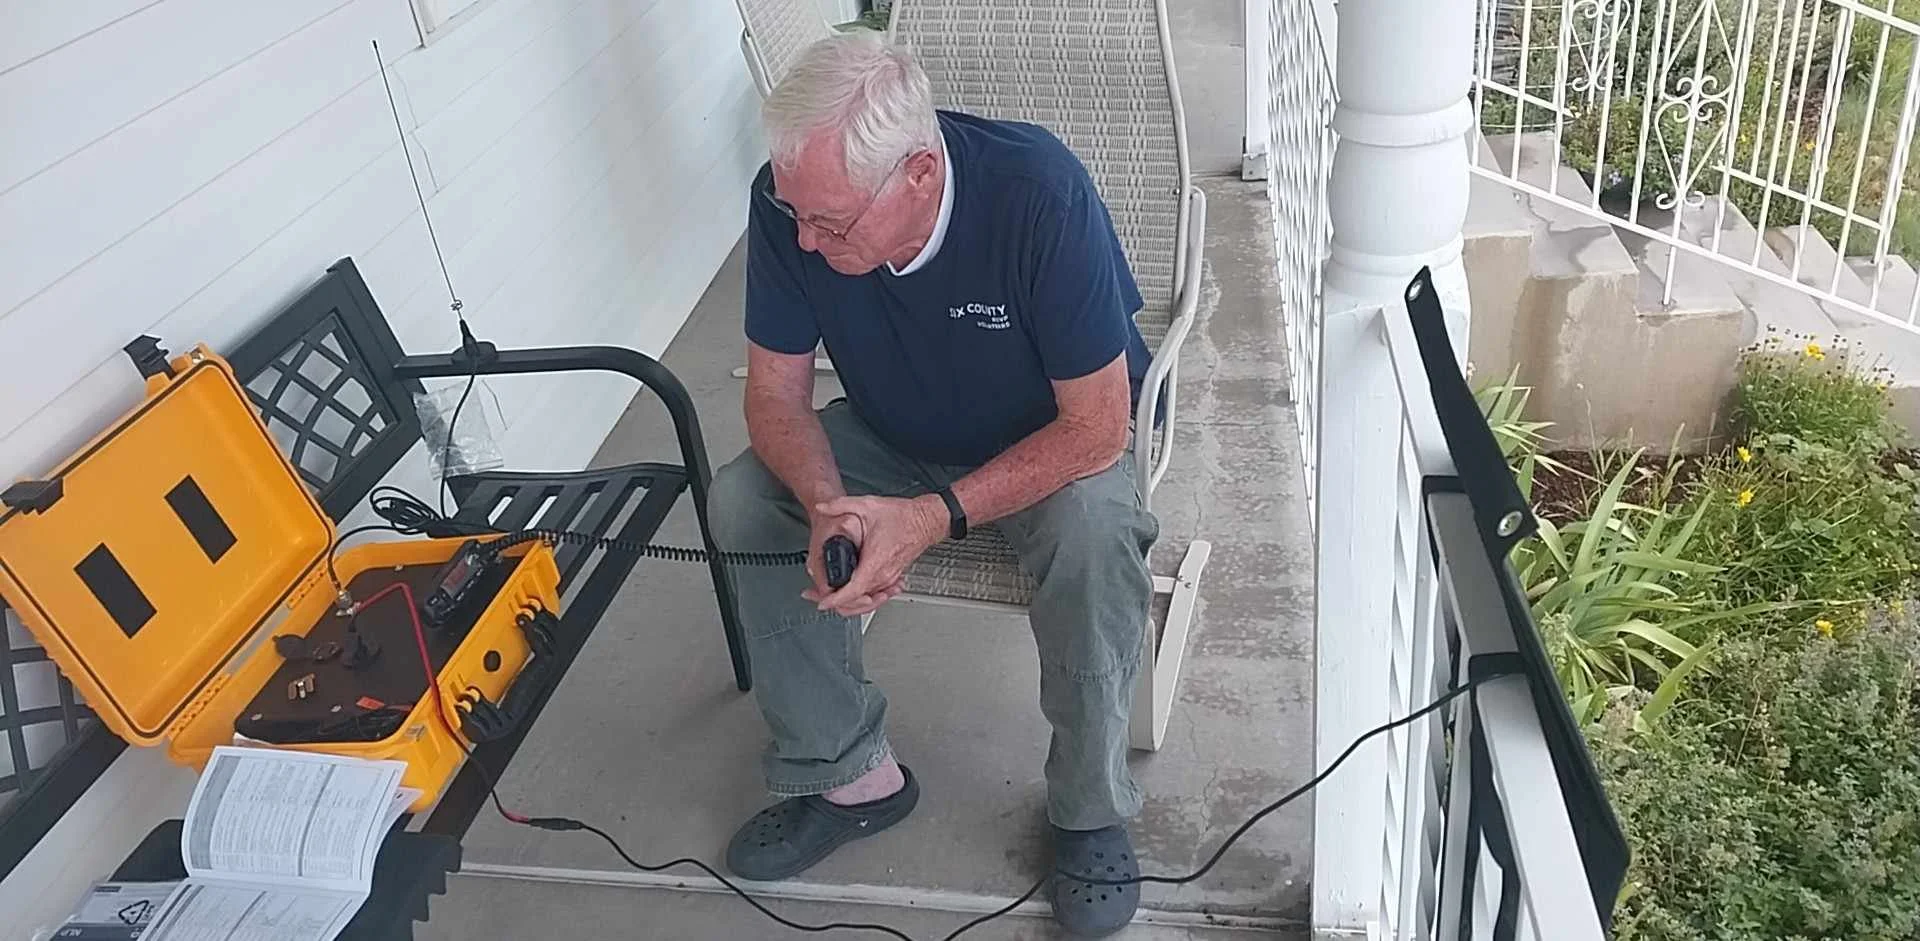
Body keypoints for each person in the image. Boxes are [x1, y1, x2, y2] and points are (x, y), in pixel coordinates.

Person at [707, 30, 1159, 937]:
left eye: (831, 223)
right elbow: (775, 394)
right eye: (797, 214)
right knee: (746, 499)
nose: (805, 238)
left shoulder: (1038, 194)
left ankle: (1089, 808)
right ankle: (847, 774)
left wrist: (929, 517)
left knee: (1096, 534)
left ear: (918, 175)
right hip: (892, 430)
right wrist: (828, 503)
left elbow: (1099, 427)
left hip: (1048, 441)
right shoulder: (790, 201)